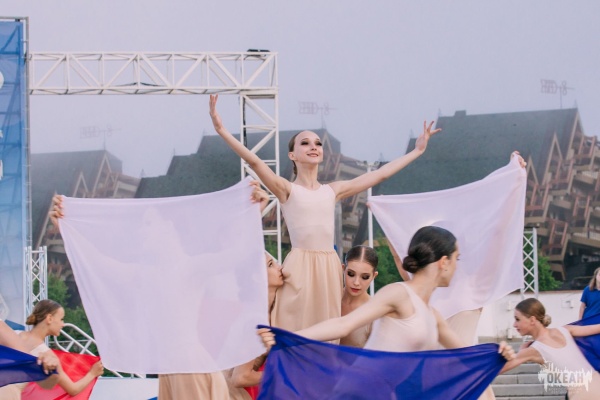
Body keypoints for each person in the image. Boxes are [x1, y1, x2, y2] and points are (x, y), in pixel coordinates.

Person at [209, 94, 441, 334]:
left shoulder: (333, 190)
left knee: (327, 333)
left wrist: (417, 151)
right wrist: (221, 130)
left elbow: (379, 175)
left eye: (318, 143)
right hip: (299, 267)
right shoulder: (287, 189)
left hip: (329, 267)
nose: (313, 147)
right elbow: (256, 163)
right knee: (292, 330)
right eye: (305, 143)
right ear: (292, 155)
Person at [501, 298, 600, 399]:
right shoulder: (565, 330)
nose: (514, 324)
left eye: (517, 319)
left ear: (532, 320)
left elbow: (498, 370)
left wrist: (510, 350)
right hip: (597, 382)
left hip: (582, 394)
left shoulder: (534, 350)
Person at [226, 251, 284, 400]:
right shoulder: (254, 318)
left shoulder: (271, 311)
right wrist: (282, 374)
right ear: (257, 277)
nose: (280, 267)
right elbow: (240, 378)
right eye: (271, 265)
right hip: (232, 394)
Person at [17, 300, 104, 396]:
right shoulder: (48, 356)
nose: (63, 324)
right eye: (61, 319)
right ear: (49, 318)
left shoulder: (14, 334)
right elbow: (73, 390)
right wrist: (92, 373)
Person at [339, 245, 378, 348]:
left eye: (365, 277)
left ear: (374, 276)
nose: (356, 282)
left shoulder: (374, 314)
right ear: (343, 269)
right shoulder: (329, 300)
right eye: (351, 274)